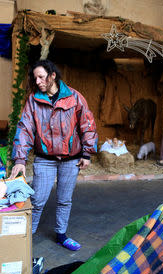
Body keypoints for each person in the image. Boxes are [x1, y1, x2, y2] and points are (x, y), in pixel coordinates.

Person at [9, 59, 98, 252]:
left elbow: (87, 124)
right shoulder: (34, 99)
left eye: (41, 77)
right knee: (38, 199)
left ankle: (61, 235)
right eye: (35, 78)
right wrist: (20, 158)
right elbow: (25, 128)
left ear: (52, 76)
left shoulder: (74, 97)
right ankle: (26, 236)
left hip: (71, 160)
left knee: (64, 199)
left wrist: (87, 153)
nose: (38, 81)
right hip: (45, 160)